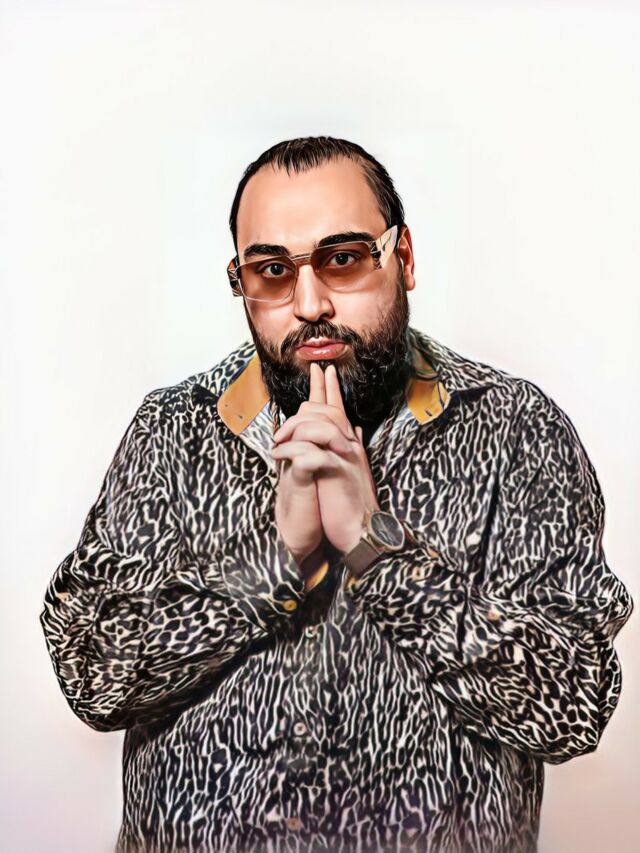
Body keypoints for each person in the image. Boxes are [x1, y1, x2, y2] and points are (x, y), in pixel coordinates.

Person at [39, 136, 633, 853]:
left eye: (343, 259)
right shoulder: (175, 430)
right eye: (271, 271)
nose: (310, 304)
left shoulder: (514, 429)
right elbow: (94, 674)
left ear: (402, 257)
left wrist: (377, 550)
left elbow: (571, 707)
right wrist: (274, 559)